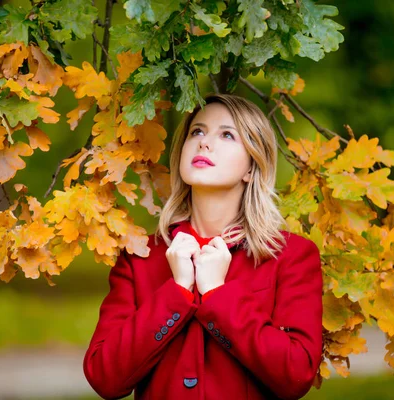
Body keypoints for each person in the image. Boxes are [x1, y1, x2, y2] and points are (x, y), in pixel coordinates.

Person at [83, 93, 323, 399]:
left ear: (252, 167)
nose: (204, 143)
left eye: (226, 134)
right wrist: (177, 291)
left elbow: (296, 374)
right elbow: (104, 377)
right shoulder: (140, 256)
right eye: (197, 131)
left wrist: (218, 296)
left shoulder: (290, 256)